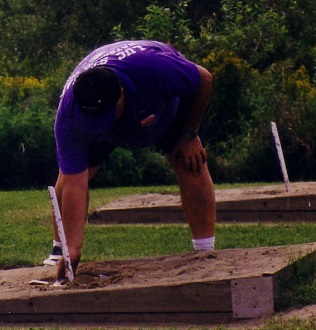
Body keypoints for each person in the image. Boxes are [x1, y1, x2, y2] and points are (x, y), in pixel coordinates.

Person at [47, 40, 215, 280]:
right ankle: (58, 249)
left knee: (191, 161)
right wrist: (73, 249)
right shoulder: (70, 116)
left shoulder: (156, 69)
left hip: (163, 107)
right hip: (109, 116)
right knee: (68, 175)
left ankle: (205, 253)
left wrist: (190, 133)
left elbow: (204, 79)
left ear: (121, 95)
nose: (99, 127)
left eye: (105, 118)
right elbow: (75, 182)